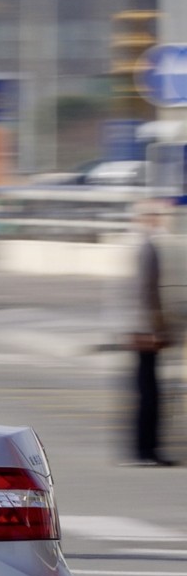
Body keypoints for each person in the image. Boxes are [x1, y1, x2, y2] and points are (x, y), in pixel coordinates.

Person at [121, 198, 175, 467]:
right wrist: (153, 329)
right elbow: (145, 292)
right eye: (155, 215)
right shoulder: (147, 247)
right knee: (148, 395)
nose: (160, 219)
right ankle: (145, 451)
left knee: (149, 392)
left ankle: (147, 450)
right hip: (145, 332)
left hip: (143, 330)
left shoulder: (144, 246)